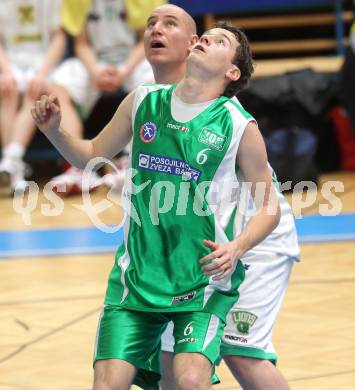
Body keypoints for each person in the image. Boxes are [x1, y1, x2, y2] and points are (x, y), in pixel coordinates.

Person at [32, 20, 281, 389]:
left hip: (202, 280)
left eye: (221, 41)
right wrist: (54, 130)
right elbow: (91, 156)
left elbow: (269, 207)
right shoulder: (143, 100)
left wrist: (237, 246)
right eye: (206, 37)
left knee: (190, 380)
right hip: (138, 276)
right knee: (108, 385)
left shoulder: (238, 126)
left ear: (232, 70)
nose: (207, 39)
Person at [142, 5, 300, 390]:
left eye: (170, 24)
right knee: (169, 359)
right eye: (151, 24)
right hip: (194, 244)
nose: (157, 30)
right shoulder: (149, 99)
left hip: (252, 237)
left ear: (193, 42)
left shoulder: (210, 96)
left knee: (241, 351)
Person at [47, 0, 156, 195]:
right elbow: (81, 44)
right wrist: (95, 71)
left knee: (153, 85)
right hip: (94, 62)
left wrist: (123, 71)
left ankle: (132, 162)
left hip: (133, 60)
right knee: (57, 89)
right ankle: (78, 168)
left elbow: (144, 41)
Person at [0, 0, 65, 196]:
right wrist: (7, 72)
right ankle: (13, 165)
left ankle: (10, 162)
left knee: (34, 91)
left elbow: (59, 39)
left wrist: (41, 74)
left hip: (44, 65)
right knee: (7, 90)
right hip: (11, 64)